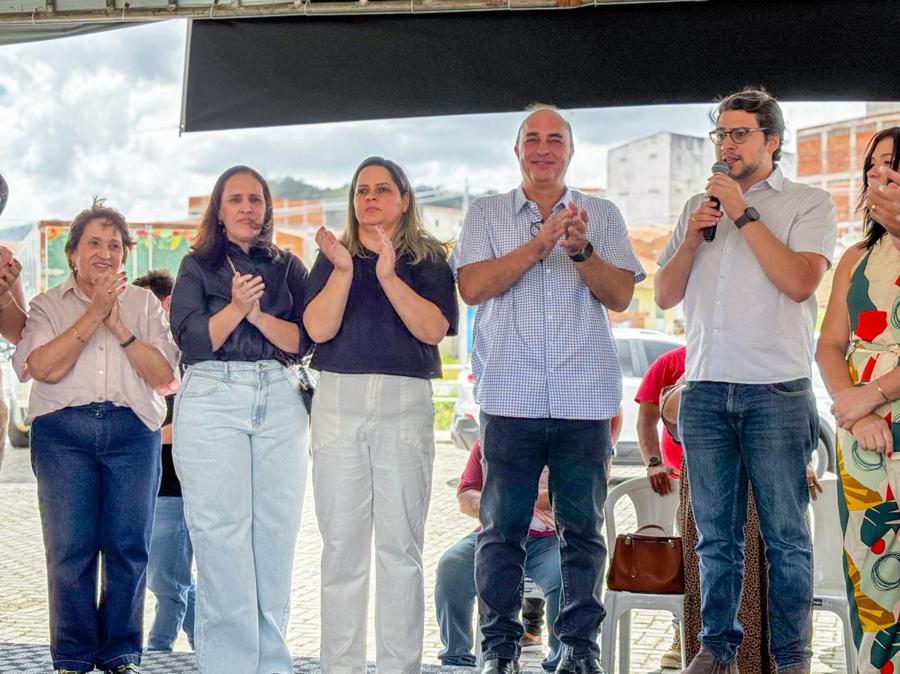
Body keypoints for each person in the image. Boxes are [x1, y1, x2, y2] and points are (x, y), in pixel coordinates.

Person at [454, 106, 644, 674]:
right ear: (516, 151)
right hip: (508, 399)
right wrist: (539, 245)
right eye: (532, 139)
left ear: (570, 151)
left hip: (583, 401)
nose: (543, 148)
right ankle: (500, 651)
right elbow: (471, 287)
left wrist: (581, 250)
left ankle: (579, 651)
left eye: (554, 139)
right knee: (500, 533)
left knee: (583, 533)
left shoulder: (601, 214)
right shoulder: (486, 213)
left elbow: (620, 297)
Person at [655, 88, 836, 674]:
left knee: (786, 538)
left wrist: (743, 213)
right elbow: (664, 295)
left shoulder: (809, 202)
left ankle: (791, 659)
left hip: (776, 393)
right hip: (706, 391)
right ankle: (717, 649)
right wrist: (691, 237)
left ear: (772, 141)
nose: (726, 145)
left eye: (739, 134)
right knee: (714, 538)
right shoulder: (697, 206)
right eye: (721, 135)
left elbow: (800, 281)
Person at [303, 156, 457, 674]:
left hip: (403, 404)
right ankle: (340, 668)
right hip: (338, 403)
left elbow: (433, 329)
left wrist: (389, 277)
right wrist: (346, 272)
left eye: (382, 189)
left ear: (404, 199)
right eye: (361, 190)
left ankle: (399, 667)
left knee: (400, 549)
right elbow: (318, 330)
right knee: (341, 548)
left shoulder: (428, 258)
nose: (370, 198)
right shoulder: (334, 255)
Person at [13, 200, 178, 674]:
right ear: (72, 254)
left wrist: (119, 326)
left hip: (132, 434)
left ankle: (122, 653)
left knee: (129, 547)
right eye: (94, 243)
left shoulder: (144, 305)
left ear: (124, 255)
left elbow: (165, 377)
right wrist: (94, 315)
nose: (105, 253)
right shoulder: (47, 305)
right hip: (63, 435)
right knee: (71, 549)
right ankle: (73, 655)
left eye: (115, 245)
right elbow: (40, 367)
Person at [169, 165, 310, 674]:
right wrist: (235, 307)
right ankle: (229, 665)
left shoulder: (289, 266)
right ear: (219, 210)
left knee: (275, 535)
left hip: (279, 395)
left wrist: (257, 316)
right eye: (236, 199)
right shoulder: (196, 265)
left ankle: (270, 664)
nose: (248, 207)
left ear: (267, 207)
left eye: (256, 198)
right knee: (222, 538)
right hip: (213, 395)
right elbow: (192, 342)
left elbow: (304, 341)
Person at [816, 126, 900, 674]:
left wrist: (873, 393)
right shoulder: (856, 257)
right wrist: (853, 405)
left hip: (877, 407)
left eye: (893, 163)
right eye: (873, 164)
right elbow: (828, 345)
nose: (878, 172)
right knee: (871, 576)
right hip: (862, 442)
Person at [435, 441, 562, 671]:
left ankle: (560, 663)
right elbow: (465, 496)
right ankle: (456, 662)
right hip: (495, 532)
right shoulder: (492, 437)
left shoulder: (561, 434)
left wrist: (512, 497)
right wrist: (501, 502)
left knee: (565, 578)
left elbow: (570, 493)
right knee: (451, 566)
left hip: (549, 538)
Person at [133, 269, 195, 652]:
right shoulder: (142, 352)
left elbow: (182, 425)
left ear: (165, 303)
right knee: (169, 575)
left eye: (142, 303)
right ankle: (208, 642)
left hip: (173, 485)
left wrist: (135, 436)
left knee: (165, 578)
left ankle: (158, 650)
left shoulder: (184, 354)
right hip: (147, 483)